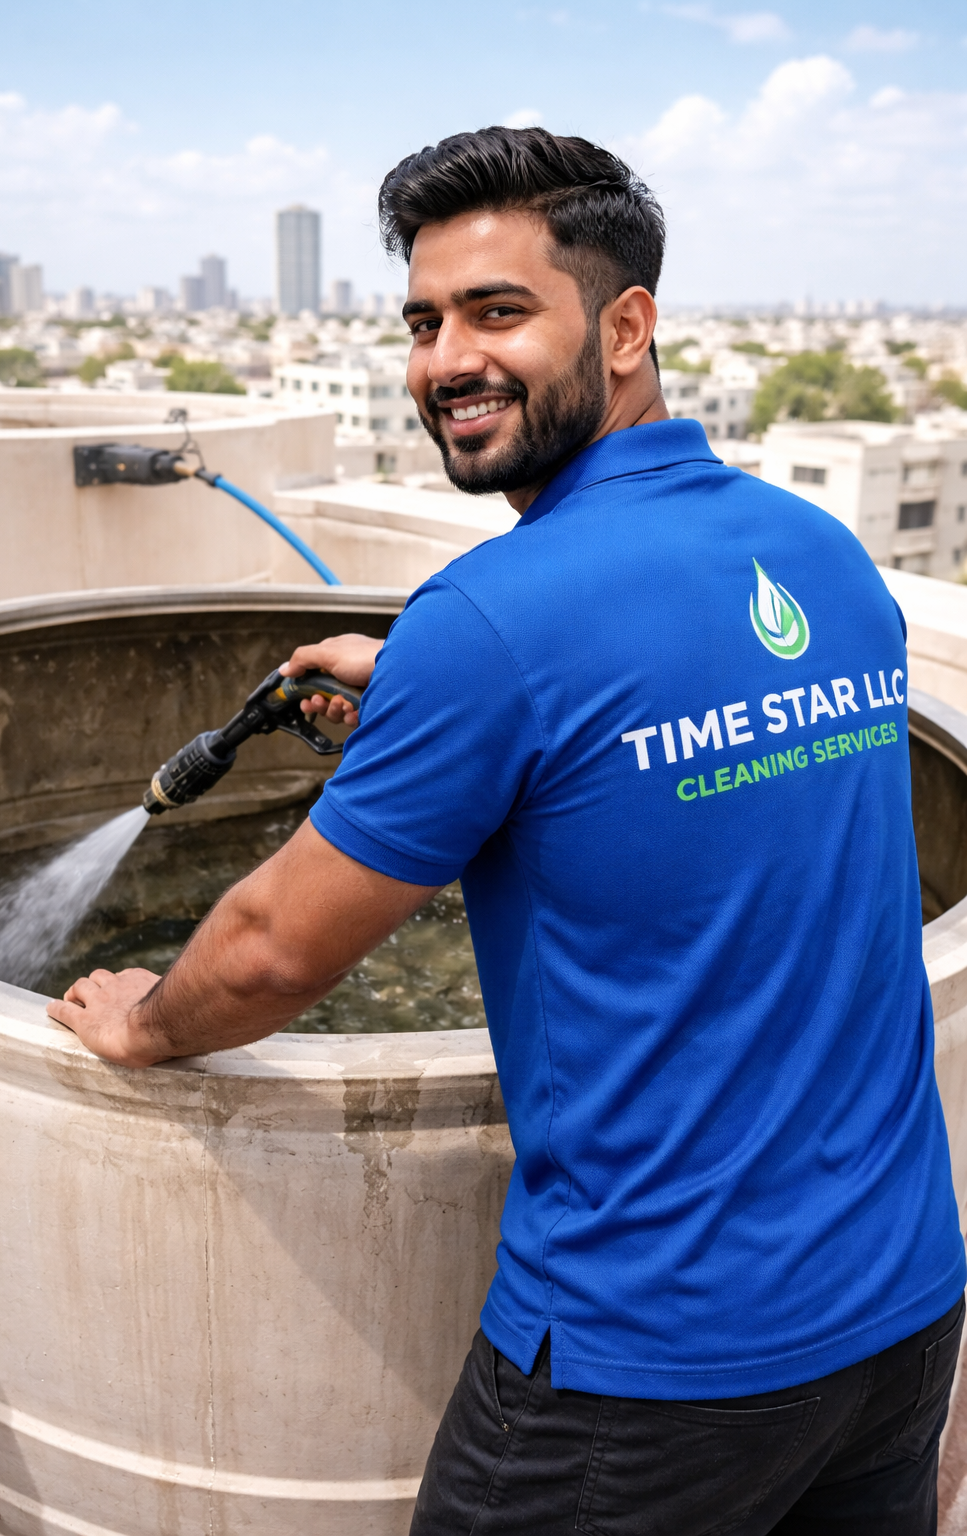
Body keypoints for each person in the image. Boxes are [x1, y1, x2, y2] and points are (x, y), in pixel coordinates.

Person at [47, 128, 965, 1534]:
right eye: (424, 323)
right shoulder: (824, 559)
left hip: (647, 1363)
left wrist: (141, 1025)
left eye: (496, 311)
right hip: (900, 1308)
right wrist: (437, 690)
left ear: (626, 327)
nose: (446, 361)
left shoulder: (494, 623)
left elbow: (274, 952)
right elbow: (685, 732)